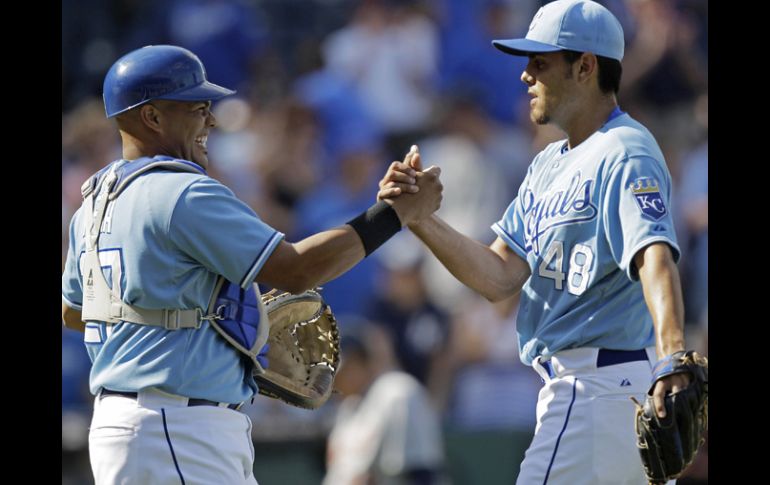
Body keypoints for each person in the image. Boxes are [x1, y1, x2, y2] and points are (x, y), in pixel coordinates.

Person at [61, 44, 443, 485]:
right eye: (197, 107)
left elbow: (74, 311)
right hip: (179, 427)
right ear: (153, 117)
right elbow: (298, 269)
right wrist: (394, 214)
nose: (211, 119)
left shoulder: (95, 202)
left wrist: (197, 336)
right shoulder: (183, 193)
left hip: (128, 423)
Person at [379, 1, 691, 483]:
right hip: (588, 388)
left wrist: (672, 353)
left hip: (598, 386)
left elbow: (654, 254)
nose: (526, 75)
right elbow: (499, 277)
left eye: (540, 62)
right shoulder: (548, 164)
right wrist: (419, 220)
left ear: (585, 66)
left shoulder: (626, 148)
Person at [323, 324, 446, 485]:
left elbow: (421, 472)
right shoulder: (347, 410)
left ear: (359, 363)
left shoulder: (398, 393)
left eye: (337, 375)